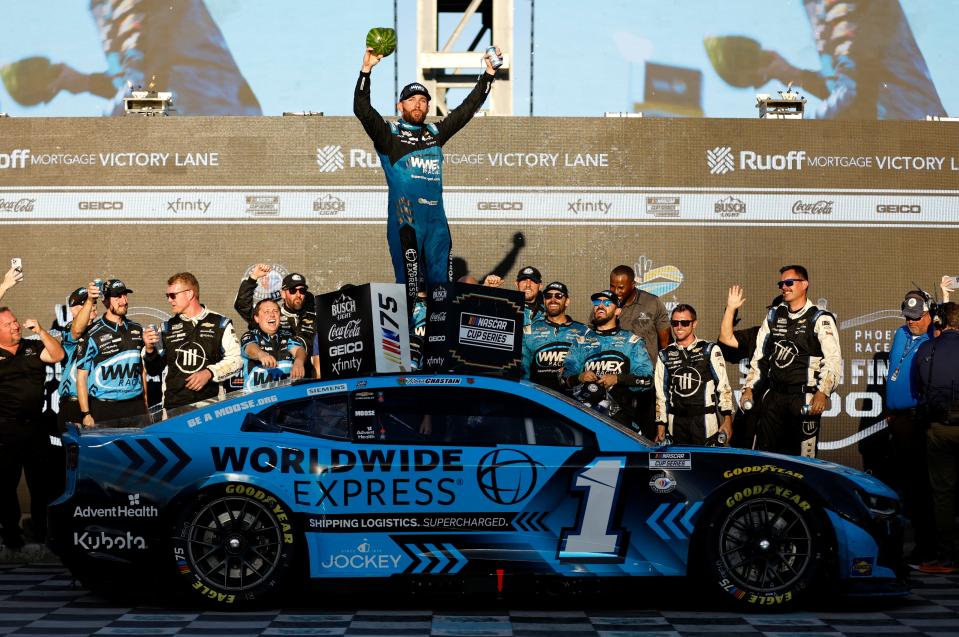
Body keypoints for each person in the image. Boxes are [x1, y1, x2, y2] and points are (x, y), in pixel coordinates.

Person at [354, 42, 500, 308]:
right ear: (400, 106)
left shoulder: (435, 134)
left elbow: (466, 110)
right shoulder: (389, 135)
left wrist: (488, 75)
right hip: (406, 219)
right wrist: (366, 71)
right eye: (411, 100)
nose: (418, 104)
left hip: (436, 221)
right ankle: (405, 342)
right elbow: (362, 110)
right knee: (408, 288)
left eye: (423, 100)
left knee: (442, 290)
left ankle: (439, 346)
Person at [741, 265, 842, 457]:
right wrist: (749, 387)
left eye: (789, 283)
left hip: (803, 398)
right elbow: (759, 356)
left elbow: (833, 359)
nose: (784, 287)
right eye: (781, 284)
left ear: (804, 284)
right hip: (774, 397)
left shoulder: (820, 318)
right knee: (767, 456)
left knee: (803, 460)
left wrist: (823, 392)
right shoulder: (773, 315)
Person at [0, 307, 64, 549]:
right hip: (6, 429)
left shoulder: (32, 346)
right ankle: (11, 535)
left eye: (15, 321)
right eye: (8, 324)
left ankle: (41, 531)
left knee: (41, 484)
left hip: (36, 427)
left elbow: (57, 355)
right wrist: (4, 286)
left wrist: (41, 331)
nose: (16, 326)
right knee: (5, 485)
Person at [884, 291, 938, 566]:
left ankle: (927, 547)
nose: (912, 322)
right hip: (898, 420)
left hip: (918, 420)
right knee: (904, 486)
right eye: (908, 316)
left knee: (920, 488)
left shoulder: (934, 339)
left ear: (929, 315)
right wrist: (891, 411)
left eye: (917, 318)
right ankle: (909, 545)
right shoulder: (900, 333)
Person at [144, 272, 241, 410]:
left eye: (173, 295)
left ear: (189, 294)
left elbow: (236, 360)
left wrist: (209, 372)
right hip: (175, 407)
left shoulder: (220, 323)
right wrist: (149, 349)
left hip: (211, 406)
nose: (169, 300)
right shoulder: (166, 328)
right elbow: (153, 370)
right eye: (167, 296)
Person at [563, 290, 654, 432]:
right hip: (586, 420)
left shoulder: (631, 341)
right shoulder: (580, 341)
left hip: (622, 422)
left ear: (618, 311)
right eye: (597, 303)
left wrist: (618, 379)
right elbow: (563, 378)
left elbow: (647, 380)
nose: (600, 306)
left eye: (606, 303)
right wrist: (579, 377)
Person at [914, 301, 959, 574]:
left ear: (939, 322)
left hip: (938, 428)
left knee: (943, 495)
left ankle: (946, 558)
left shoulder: (926, 348)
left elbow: (919, 388)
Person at [655, 304, 734, 446]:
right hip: (676, 422)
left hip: (705, 420)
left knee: (707, 464)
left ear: (694, 324)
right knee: (679, 466)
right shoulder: (664, 355)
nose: (679, 327)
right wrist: (661, 424)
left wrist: (727, 419)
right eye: (675, 323)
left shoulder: (709, 349)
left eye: (684, 323)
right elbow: (662, 394)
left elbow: (723, 386)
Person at [75, 280, 148, 427]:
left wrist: (145, 402)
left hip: (136, 406)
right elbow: (81, 376)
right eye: (117, 297)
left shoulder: (137, 328)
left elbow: (142, 370)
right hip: (105, 408)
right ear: (105, 301)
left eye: (125, 296)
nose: (124, 301)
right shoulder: (92, 333)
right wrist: (86, 414)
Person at [717, 285, 782, 448]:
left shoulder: (804, 337)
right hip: (754, 405)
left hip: (784, 406)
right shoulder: (758, 334)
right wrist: (731, 309)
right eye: (773, 312)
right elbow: (726, 338)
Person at [610, 265, 669, 438]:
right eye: (612, 286)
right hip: (614, 383)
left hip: (644, 384)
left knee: (647, 436)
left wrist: (661, 376)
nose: (616, 291)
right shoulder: (606, 303)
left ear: (633, 284)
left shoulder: (652, 303)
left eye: (621, 287)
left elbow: (664, 343)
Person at [235, 266, 317, 378]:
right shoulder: (272, 316)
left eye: (302, 291)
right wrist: (253, 278)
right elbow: (242, 306)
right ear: (283, 294)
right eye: (293, 290)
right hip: (278, 376)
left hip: (310, 375)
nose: (298, 295)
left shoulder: (315, 318)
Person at [522, 282, 591, 392]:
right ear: (544, 301)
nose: (553, 300)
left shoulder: (585, 332)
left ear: (567, 301)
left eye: (558, 296)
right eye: (548, 296)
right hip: (539, 399)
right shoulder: (528, 331)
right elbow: (523, 373)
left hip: (572, 401)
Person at [57, 283, 100, 428]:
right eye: (85, 303)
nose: (92, 306)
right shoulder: (69, 330)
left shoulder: (102, 329)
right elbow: (77, 331)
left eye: (94, 302)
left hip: (96, 401)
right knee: (74, 449)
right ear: (74, 310)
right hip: (73, 402)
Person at [240, 299, 307, 391]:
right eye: (266, 312)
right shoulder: (250, 335)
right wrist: (261, 354)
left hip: (284, 397)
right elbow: (250, 348)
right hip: (256, 400)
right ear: (257, 318)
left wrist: (299, 361)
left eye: (275, 311)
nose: (272, 315)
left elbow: (299, 350)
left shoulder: (287, 336)